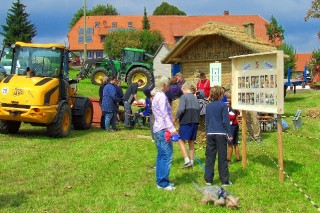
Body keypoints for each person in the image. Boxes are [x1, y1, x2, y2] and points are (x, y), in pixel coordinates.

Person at [204, 86, 233, 187]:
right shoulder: (223, 106)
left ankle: (208, 180)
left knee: (210, 157)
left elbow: (206, 121)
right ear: (221, 95)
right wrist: (230, 134)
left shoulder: (208, 106)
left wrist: (207, 133)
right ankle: (224, 180)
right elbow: (226, 121)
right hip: (220, 134)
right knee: (222, 158)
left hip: (210, 133)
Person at [152, 75, 177, 191]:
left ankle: (161, 180)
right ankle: (163, 183)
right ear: (164, 85)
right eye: (168, 84)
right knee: (167, 155)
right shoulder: (161, 96)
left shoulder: (157, 95)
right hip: (163, 129)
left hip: (158, 128)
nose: (169, 85)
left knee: (161, 155)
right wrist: (172, 129)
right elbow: (165, 114)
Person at [173, 82, 200, 168]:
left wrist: (175, 117)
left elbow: (181, 109)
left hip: (186, 121)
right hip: (195, 121)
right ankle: (192, 161)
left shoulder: (184, 97)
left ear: (184, 89)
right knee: (191, 141)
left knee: (180, 140)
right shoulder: (195, 98)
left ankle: (186, 160)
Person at [226, 92, 240, 164]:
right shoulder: (230, 106)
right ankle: (238, 159)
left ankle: (228, 159)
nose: (228, 100)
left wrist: (225, 115)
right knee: (235, 143)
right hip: (234, 125)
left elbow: (232, 117)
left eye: (229, 98)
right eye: (227, 98)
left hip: (232, 126)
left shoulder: (233, 107)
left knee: (231, 143)